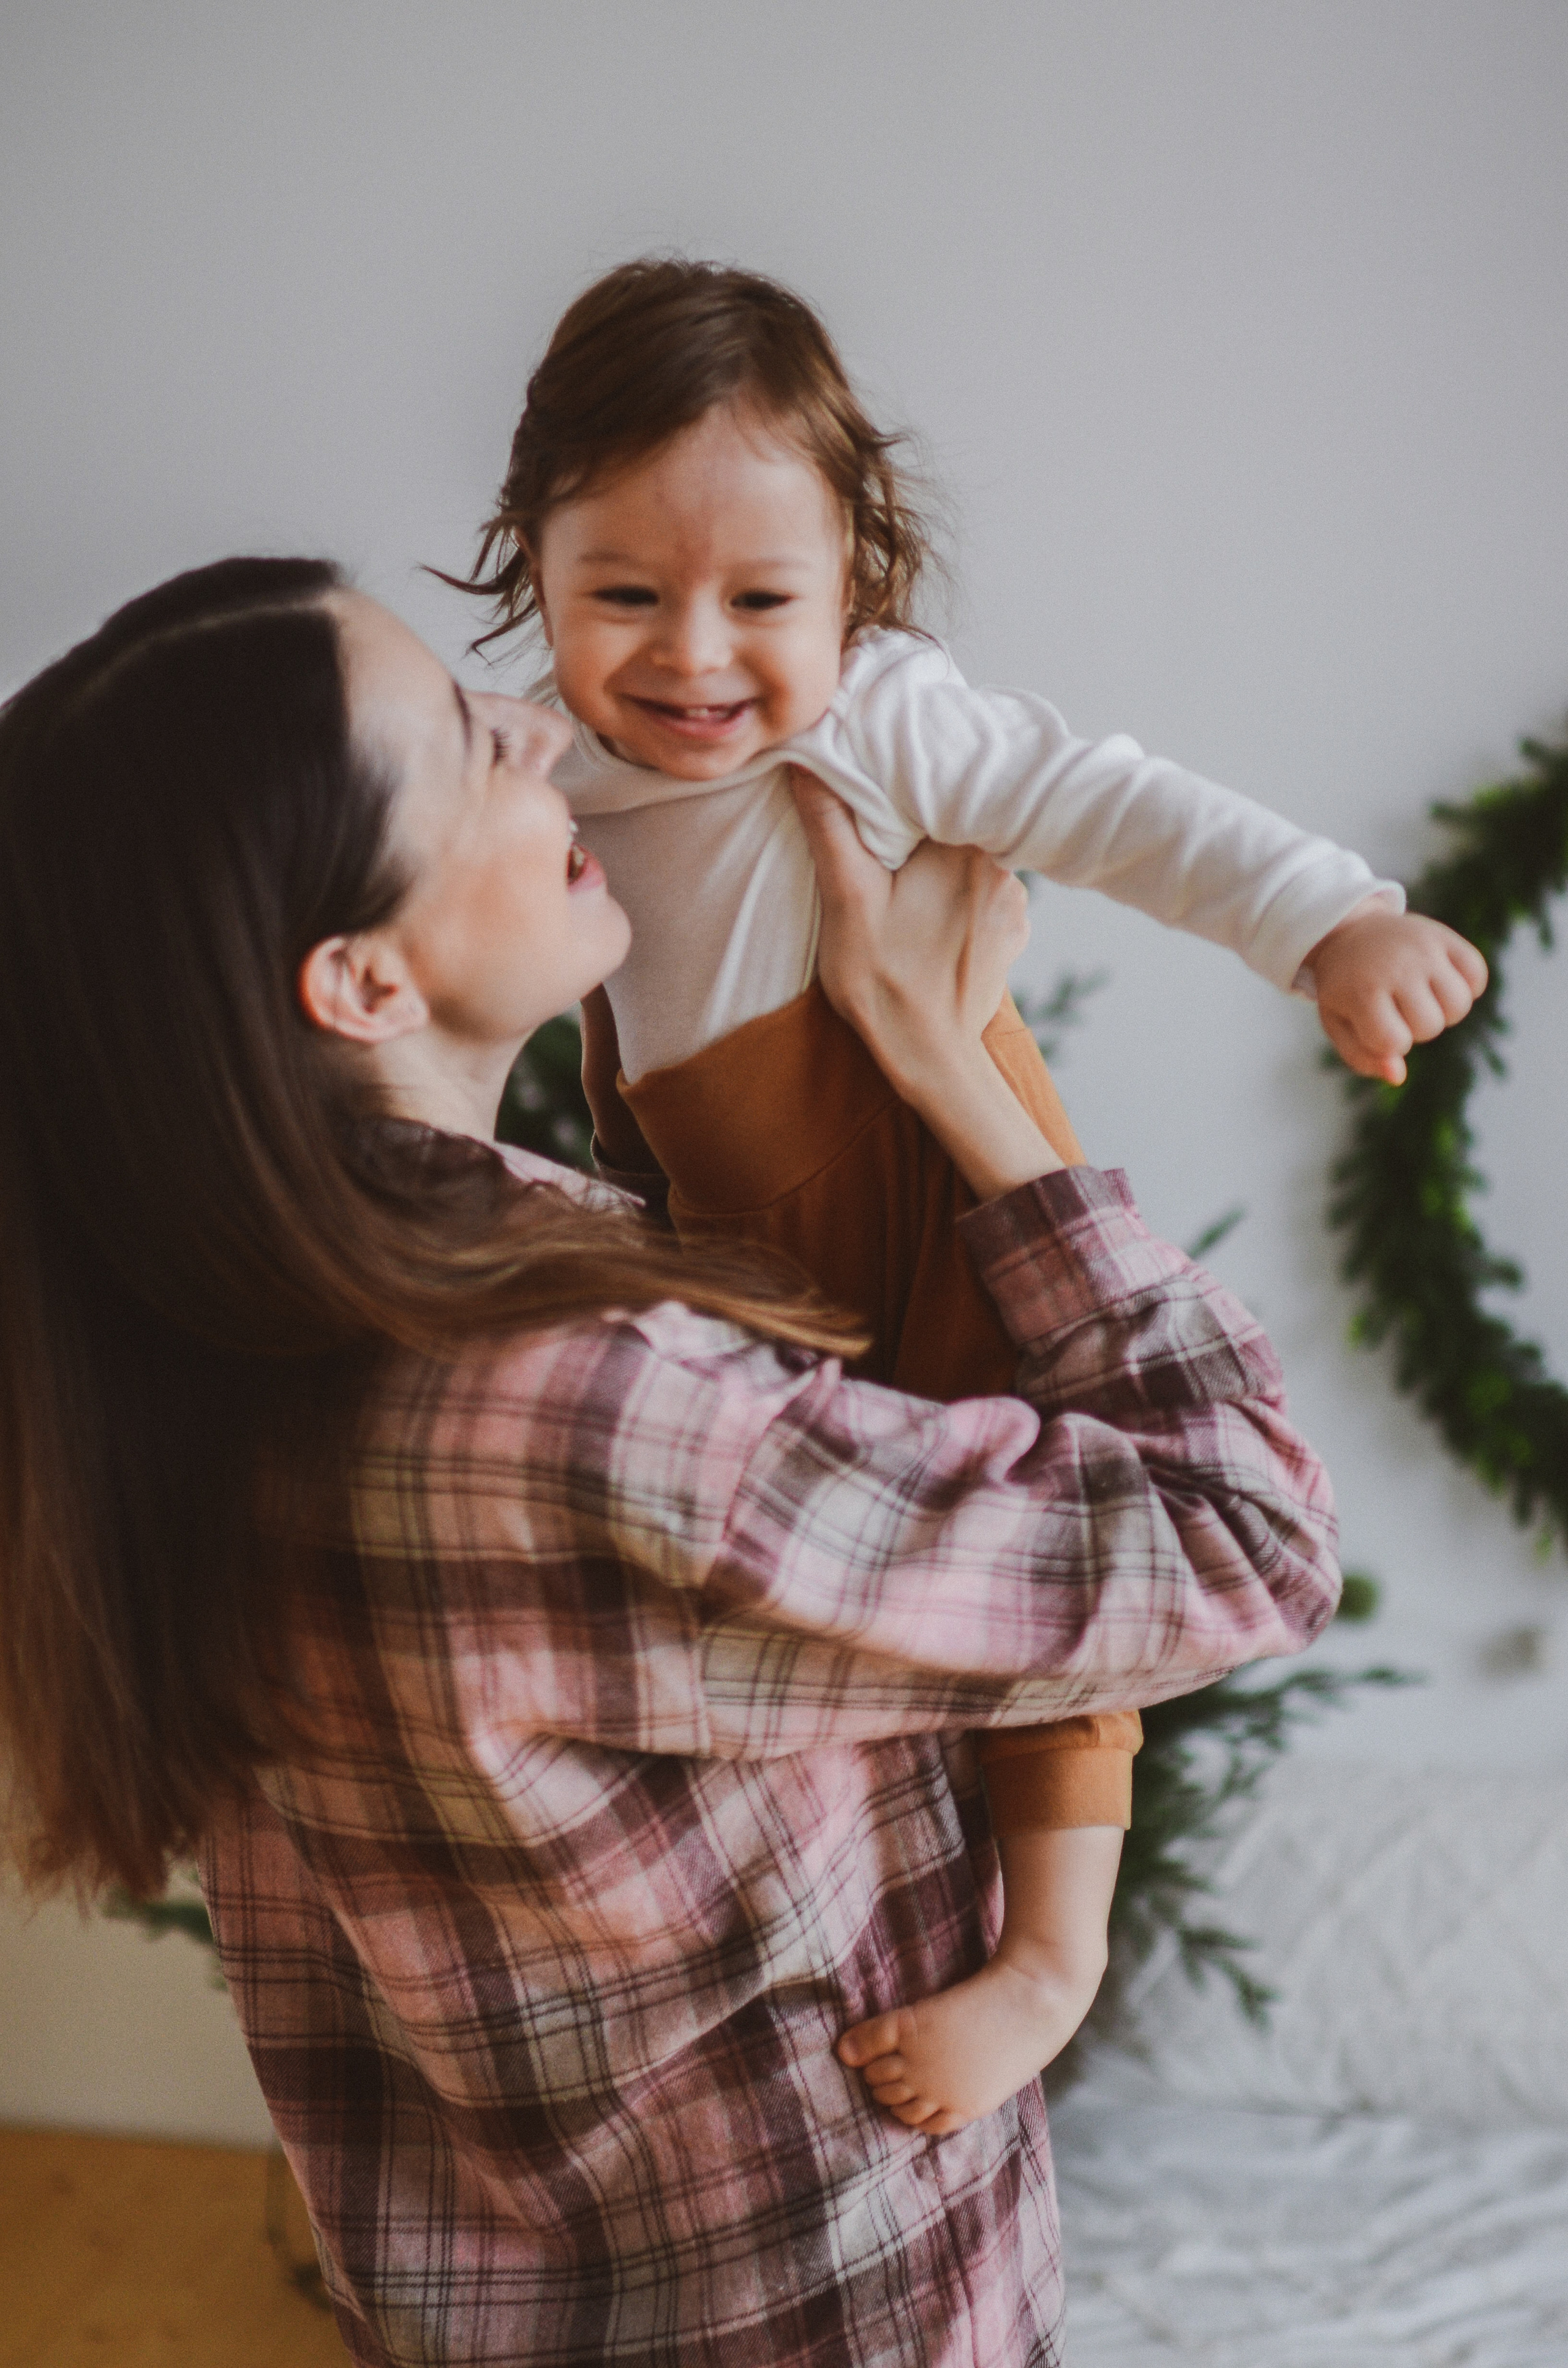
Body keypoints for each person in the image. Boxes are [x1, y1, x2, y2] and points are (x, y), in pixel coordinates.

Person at [0, 556, 1340, 2368]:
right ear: (364, 979)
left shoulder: (172, 1347)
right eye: (473, 744)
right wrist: (961, 1071)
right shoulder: (567, 1404)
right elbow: (1247, 1530)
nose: (543, 724)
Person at [450, 255, 1488, 2130]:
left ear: (856, 576)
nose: (693, 656)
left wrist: (1332, 917)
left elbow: (1120, 803)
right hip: (733, 1238)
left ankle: (1049, 1960)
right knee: (849, 1560)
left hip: (939, 1175)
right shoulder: (548, 754)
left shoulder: (879, 717)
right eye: (625, 594)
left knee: (1053, 1514)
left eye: (761, 598)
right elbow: (391, 823)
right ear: (537, 565)